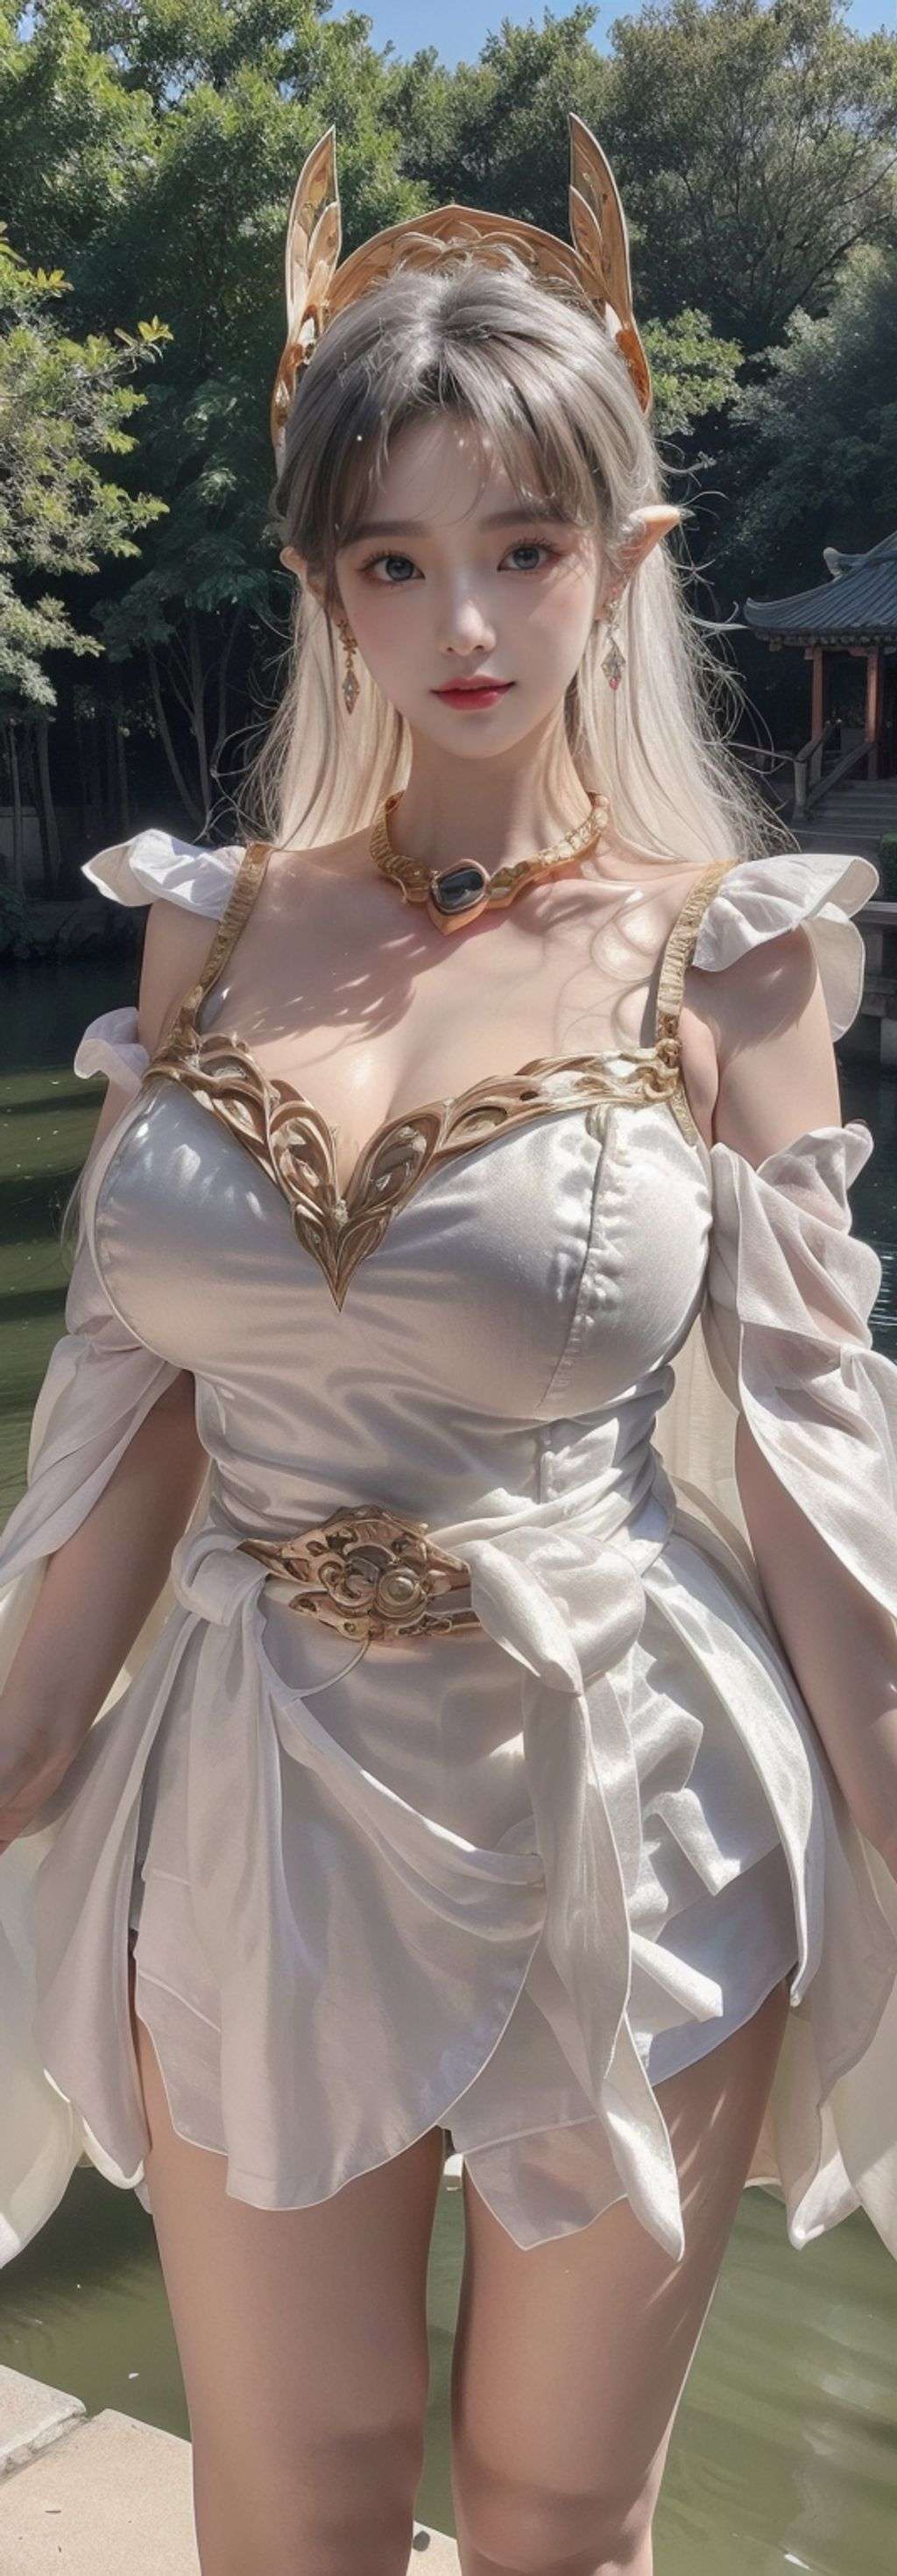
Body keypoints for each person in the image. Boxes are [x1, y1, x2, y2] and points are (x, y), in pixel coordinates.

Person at [1, 113, 896, 2576]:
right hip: (255, 1797)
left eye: (524, 545)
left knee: (554, 2511)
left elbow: (820, 1471)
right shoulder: (203, 929)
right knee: (286, 2505)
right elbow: (127, 1422)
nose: (465, 617)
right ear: (324, 585)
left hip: (628, 1787)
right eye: (393, 558)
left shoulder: (736, 957)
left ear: (627, 558)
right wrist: (23, 1743)